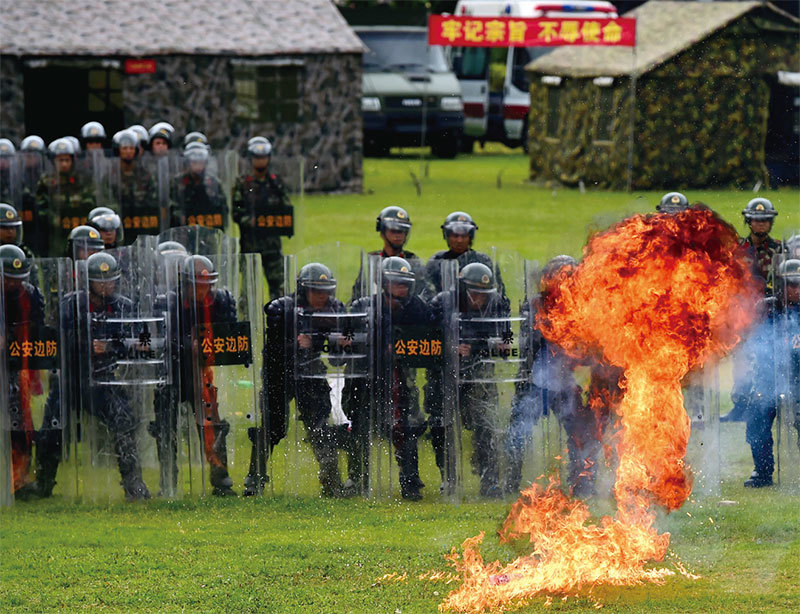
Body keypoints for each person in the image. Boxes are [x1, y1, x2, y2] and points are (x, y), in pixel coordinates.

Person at [262, 263, 353, 497]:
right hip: (280, 375)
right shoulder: (283, 309)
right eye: (316, 291)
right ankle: (255, 477)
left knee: (321, 426)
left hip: (312, 374)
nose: (321, 296)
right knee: (273, 427)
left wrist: (340, 343)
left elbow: (337, 359)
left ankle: (332, 482)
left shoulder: (335, 310)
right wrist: (295, 345)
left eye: (325, 291)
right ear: (303, 290)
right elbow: (271, 349)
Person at [346, 257, 430, 500]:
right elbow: (349, 340)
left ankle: (410, 481)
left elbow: (432, 341)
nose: (400, 289)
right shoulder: (365, 306)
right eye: (395, 283)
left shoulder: (418, 309)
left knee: (405, 428)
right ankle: (357, 478)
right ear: (383, 283)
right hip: (366, 377)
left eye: (404, 284)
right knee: (360, 426)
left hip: (399, 377)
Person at [428, 262, 509, 498]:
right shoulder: (442, 303)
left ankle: (489, 478)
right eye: (474, 293)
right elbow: (426, 340)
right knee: (440, 424)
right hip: (445, 375)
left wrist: (490, 346)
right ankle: (447, 477)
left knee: (486, 425)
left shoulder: (498, 304)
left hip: (480, 374)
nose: (479, 298)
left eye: (483, 294)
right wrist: (448, 347)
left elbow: (505, 335)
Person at [74, 252, 152, 500]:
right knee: (51, 425)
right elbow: (61, 341)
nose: (106, 286)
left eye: (110, 281)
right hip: (73, 381)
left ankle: (133, 483)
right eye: (100, 281)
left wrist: (111, 346)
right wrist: (87, 345)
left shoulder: (124, 306)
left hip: (109, 379)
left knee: (125, 420)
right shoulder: (72, 305)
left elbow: (143, 341)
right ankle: (42, 481)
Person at [178, 255, 237, 496]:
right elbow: (161, 334)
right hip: (177, 372)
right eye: (198, 284)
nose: (204, 289)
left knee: (212, 420)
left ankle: (220, 475)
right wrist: (186, 345)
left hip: (206, 372)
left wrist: (212, 344)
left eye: (207, 284)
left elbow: (232, 334)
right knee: (165, 422)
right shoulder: (172, 302)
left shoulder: (220, 301)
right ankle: (168, 479)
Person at [741, 259, 800, 487]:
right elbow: (751, 341)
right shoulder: (766, 309)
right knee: (756, 419)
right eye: (790, 284)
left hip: (798, 380)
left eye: (798, 284)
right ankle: (763, 472)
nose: (795, 289)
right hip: (769, 378)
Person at [725, 198, 783, 423]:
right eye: (756, 220)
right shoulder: (738, 250)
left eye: (765, 220)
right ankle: (739, 405)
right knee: (740, 358)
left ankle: (768, 403)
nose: (760, 224)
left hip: (771, 313)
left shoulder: (779, 250)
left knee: (769, 357)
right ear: (749, 221)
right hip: (744, 312)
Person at [1, 244, 46, 499]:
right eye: (8, 278)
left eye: (17, 279)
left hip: (22, 366)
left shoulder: (31, 295)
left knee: (21, 424)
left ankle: (20, 476)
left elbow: (41, 332)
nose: (13, 284)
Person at [232, 138, 292, 300]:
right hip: (250, 245)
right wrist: (252, 222)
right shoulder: (242, 183)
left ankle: (278, 321)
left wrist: (283, 223)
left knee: (279, 290)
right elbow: (236, 213)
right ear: (251, 158)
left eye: (263, 157)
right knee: (248, 291)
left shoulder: (276, 183)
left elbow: (286, 210)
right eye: (257, 157)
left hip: (272, 246)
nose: (260, 161)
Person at [424, 211, 507, 303]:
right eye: (455, 236)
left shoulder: (483, 261)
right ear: (446, 236)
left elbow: (498, 294)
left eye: (464, 236)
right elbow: (427, 296)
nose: (459, 240)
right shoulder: (437, 262)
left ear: (470, 237)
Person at [350, 206, 424, 303]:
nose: (398, 236)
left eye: (402, 231)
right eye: (393, 231)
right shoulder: (371, 260)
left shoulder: (412, 260)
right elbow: (358, 294)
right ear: (382, 232)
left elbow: (420, 294)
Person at [36, 138, 95, 257]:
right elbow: (42, 209)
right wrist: (55, 219)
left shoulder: (82, 179)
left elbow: (90, 202)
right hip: (57, 233)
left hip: (80, 228)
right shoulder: (46, 181)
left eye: (67, 160)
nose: (64, 164)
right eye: (60, 160)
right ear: (53, 161)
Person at [109, 129, 158, 242]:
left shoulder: (145, 174)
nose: (128, 151)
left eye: (131, 148)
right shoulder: (111, 176)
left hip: (142, 224)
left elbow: (154, 200)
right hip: (119, 225)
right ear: (118, 150)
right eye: (124, 148)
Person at [170, 146, 227, 230]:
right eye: (194, 162)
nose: (198, 166)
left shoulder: (213, 182)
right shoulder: (179, 181)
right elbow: (173, 207)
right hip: (185, 228)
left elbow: (223, 207)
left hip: (208, 227)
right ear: (188, 163)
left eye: (201, 162)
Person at [19, 136, 47, 255]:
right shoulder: (17, 177)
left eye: (35, 155)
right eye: (28, 155)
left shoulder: (47, 177)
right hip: (25, 225)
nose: (32, 159)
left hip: (44, 227)